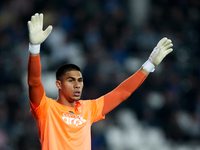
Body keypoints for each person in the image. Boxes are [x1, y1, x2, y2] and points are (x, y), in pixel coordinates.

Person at [27, 13, 173, 150]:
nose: (77, 84)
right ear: (59, 84)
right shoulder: (46, 108)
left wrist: (149, 65)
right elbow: (34, 82)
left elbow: (122, 93)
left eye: (80, 80)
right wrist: (34, 48)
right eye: (71, 80)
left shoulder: (88, 109)